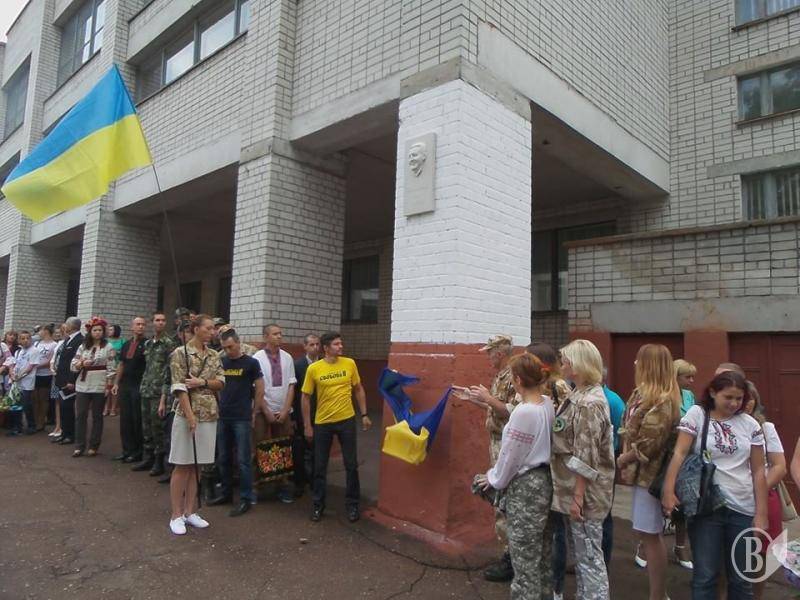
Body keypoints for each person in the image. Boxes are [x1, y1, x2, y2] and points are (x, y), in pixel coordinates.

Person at [661, 371, 768, 600]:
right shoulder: (697, 415)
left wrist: (761, 513)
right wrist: (668, 490)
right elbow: (679, 453)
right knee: (705, 576)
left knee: (742, 579)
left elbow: (759, 470)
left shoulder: (750, 425)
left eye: (739, 398)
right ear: (712, 392)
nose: (734, 403)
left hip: (743, 508)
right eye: (728, 397)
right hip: (706, 506)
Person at [474, 353, 555, 599]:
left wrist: (493, 478)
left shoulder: (524, 412)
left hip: (526, 486)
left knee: (524, 558)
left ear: (518, 380)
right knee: (543, 555)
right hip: (545, 480)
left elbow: (511, 455)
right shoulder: (546, 403)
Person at [617, 344, 682, 600]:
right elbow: (627, 428)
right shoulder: (640, 394)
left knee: (651, 535)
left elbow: (649, 443)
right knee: (645, 533)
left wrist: (625, 458)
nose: (635, 364)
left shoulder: (664, 400)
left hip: (651, 476)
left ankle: (658, 595)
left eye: (639, 360)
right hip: (639, 474)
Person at [552, 339, 614, 600]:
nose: (562, 365)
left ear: (577, 365)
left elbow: (586, 455)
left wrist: (578, 497)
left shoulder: (590, 402)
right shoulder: (578, 394)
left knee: (589, 556)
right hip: (573, 487)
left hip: (586, 493)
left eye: (565, 361)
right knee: (581, 553)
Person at [301, 331, 371, 523]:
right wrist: (307, 425)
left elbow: (358, 389)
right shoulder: (314, 369)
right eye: (336, 344)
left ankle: (352, 505)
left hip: (346, 420)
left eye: (341, 343)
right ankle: (318, 505)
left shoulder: (349, 363)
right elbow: (305, 397)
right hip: (323, 423)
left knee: (351, 465)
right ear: (326, 348)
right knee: (319, 467)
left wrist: (364, 414)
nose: (341, 347)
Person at [167, 314, 224, 535]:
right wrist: (190, 416)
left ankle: (190, 511)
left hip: (209, 413)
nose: (212, 332)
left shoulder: (214, 354)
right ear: (196, 328)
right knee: (182, 464)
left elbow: (221, 382)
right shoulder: (180, 353)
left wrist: (202, 382)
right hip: (186, 414)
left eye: (213, 329)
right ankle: (176, 514)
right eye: (208, 328)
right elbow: (179, 387)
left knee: (198, 465)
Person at [468, 334, 518, 582]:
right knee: (500, 496)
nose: (488, 357)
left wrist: (487, 398)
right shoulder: (500, 376)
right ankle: (509, 554)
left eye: (490, 352)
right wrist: (477, 400)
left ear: (500, 353)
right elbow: (496, 409)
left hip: (506, 443)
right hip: (497, 441)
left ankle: (511, 558)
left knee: (503, 498)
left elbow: (513, 412)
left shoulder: (513, 376)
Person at [209, 328, 264, 516]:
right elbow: (216, 385)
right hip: (224, 416)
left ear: (239, 343)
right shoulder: (222, 362)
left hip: (242, 417)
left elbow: (260, 388)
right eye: (224, 348)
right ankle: (225, 493)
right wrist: (219, 404)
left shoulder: (251, 363)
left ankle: (245, 498)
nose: (227, 351)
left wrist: (255, 411)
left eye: (230, 347)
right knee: (223, 458)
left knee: (243, 460)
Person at [742, 382, 787, 600]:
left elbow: (779, 466)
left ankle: (757, 596)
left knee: (761, 553)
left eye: (750, 398)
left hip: (764, 496)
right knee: (730, 552)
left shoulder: (766, 428)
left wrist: (759, 489)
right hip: (732, 497)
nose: (746, 402)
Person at [252, 324, 297, 503]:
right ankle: (256, 486)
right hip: (263, 409)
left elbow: (291, 385)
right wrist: (266, 410)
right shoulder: (257, 358)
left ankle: (282, 485)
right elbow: (256, 388)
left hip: (283, 409)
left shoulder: (287, 357)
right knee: (260, 446)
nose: (279, 336)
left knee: (283, 447)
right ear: (266, 337)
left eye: (280, 334)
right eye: (275, 334)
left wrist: (285, 409)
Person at [133, 313, 176, 475]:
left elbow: (169, 371)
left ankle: (159, 461)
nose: (160, 323)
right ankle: (148, 457)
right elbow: (147, 367)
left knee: (158, 428)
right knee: (146, 426)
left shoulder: (169, 344)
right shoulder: (148, 343)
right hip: (146, 389)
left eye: (163, 320)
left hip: (159, 392)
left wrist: (164, 396)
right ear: (152, 323)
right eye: (157, 320)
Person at [70, 317, 116, 457]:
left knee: (97, 416)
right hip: (83, 384)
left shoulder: (108, 347)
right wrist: (81, 364)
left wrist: (108, 386)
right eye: (95, 330)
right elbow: (73, 364)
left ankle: (94, 445)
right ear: (90, 332)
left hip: (99, 384)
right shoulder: (83, 346)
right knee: (81, 415)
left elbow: (111, 367)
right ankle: (79, 446)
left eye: (100, 330)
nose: (97, 332)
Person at [112, 317, 148, 463]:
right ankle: (126, 450)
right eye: (138, 324)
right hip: (125, 385)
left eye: (143, 324)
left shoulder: (147, 344)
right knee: (125, 418)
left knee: (136, 418)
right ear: (132, 327)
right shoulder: (126, 344)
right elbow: (121, 364)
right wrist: (116, 383)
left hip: (139, 385)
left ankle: (137, 452)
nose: (141, 327)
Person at [292, 333, 320, 496]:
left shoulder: (324, 364)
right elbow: (294, 393)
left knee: (318, 450)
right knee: (299, 450)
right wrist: (294, 417)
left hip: (320, 414)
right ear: (305, 347)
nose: (315, 348)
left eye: (317, 344)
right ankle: (299, 482)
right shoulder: (298, 365)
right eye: (311, 345)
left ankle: (315, 481)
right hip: (301, 415)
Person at [52, 317, 83, 445]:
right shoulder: (68, 339)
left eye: (67, 324)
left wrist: (71, 380)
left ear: (73, 326)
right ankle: (64, 433)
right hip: (61, 379)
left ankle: (70, 435)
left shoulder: (79, 340)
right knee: (63, 408)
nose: (65, 326)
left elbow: (74, 362)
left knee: (68, 408)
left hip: (69, 381)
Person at [8, 331, 39, 435]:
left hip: (27, 382)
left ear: (31, 339)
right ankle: (17, 427)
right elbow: (15, 364)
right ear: (19, 340)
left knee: (26, 405)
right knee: (15, 404)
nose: (25, 340)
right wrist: (12, 374)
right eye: (23, 338)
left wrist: (19, 376)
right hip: (17, 383)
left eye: (27, 338)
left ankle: (31, 426)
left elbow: (30, 367)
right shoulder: (19, 351)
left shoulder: (34, 350)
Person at [32, 324, 57, 432]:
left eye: (40, 330)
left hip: (46, 374)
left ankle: (41, 421)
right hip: (35, 374)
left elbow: (52, 360)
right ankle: (35, 419)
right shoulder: (37, 343)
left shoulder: (54, 345)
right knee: (35, 398)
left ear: (46, 331)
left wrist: (37, 366)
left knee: (43, 398)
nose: (39, 333)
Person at [104, 324, 123, 416]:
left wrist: (117, 352)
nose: (109, 331)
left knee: (115, 388)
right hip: (107, 367)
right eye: (109, 330)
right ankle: (106, 407)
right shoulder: (105, 341)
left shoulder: (122, 341)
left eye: (111, 329)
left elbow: (124, 353)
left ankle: (113, 408)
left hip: (117, 366)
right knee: (106, 388)